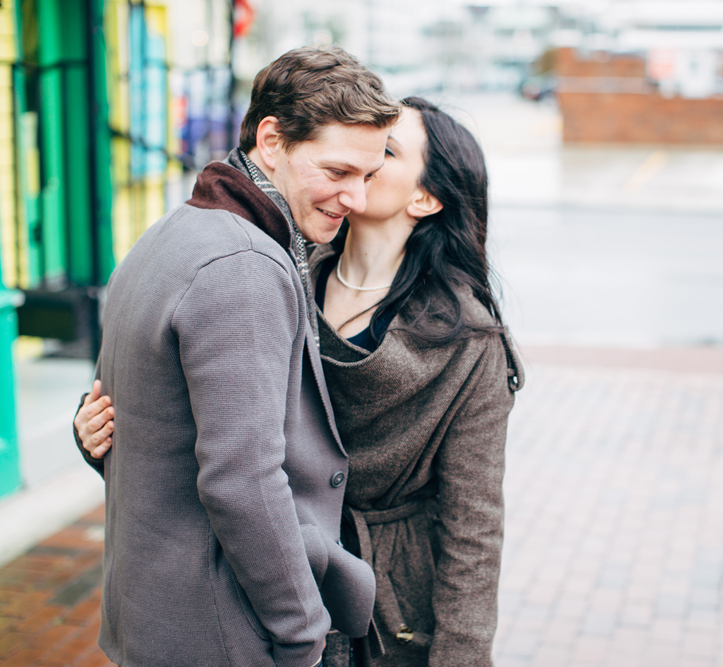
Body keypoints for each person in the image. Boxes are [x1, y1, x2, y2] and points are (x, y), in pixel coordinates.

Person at [77, 96, 524, 667]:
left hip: (392, 611)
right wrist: (98, 431)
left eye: (385, 151)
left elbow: (474, 526)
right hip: (268, 577)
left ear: (425, 196)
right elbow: (207, 436)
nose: (362, 159)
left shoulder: (469, 339)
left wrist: (462, 657)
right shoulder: (277, 274)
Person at [72, 46, 401, 667]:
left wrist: (83, 431)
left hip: (156, 618)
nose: (355, 197)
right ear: (271, 140)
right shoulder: (245, 265)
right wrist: (303, 633)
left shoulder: (173, 230)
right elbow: (242, 479)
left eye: (369, 174)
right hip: (221, 632)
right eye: (336, 172)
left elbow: (137, 418)